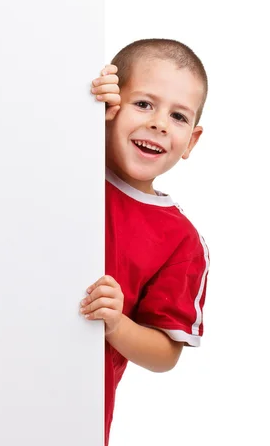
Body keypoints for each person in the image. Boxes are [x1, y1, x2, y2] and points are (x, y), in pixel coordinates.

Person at [79, 38, 210, 445]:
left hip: (72, 410)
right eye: (143, 104)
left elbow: (165, 353)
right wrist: (79, 103)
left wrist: (116, 325)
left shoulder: (182, 242)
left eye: (178, 116)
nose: (159, 124)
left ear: (192, 141)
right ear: (112, 105)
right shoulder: (63, 161)